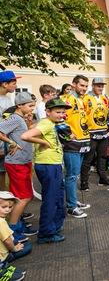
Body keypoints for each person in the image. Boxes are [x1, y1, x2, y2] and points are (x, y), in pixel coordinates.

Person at [21, 98, 71, 244]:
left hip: (53, 165)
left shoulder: (50, 123)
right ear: (48, 112)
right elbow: (25, 136)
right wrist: (43, 142)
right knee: (51, 200)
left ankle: (54, 226)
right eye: (57, 112)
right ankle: (46, 234)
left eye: (62, 112)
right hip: (48, 166)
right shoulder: (47, 124)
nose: (61, 115)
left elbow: (31, 130)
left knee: (57, 198)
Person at [0, 92, 37, 242]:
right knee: (25, 197)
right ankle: (13, 230)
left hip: (23, 161)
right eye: (30, 106)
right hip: (17, 163)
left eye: (33, 106)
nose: (32, 109)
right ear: (20, 105)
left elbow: (22, 134)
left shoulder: (21, 118)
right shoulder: (14, 118)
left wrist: (28, 123)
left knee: (20, 196)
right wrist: (11, 143)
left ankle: (19, 225)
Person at [61, 75, 91, 218]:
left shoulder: (80, 99)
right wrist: (68, 135)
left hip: (83, 142)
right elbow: (60, 119)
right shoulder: (67, 99)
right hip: (72, 144)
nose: (84, 88)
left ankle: (73, 200)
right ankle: (71, 206)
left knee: (75, 175)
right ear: (74, 84)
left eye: (86, 86)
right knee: (72, 176)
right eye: (81, 85)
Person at [80, 78, 109, 191]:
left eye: (102, 86)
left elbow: (108, 114)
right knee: (88, 158)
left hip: (103, 132)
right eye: (98, 86)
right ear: (93, 86)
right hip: (91, 133)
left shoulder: (104, 98)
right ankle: (84, 182)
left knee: (102, 157)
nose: (100, 88)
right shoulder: (86, 98)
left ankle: (102, 178)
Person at [0, 191, 31, 281]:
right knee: (27, 246)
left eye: (10, 207)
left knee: (21, 244)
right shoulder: (1, 222)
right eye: (4, 207)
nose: (8, 210)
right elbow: (7, 241)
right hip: (3, 254)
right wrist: (14, 249)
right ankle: (3, 267)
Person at [0, 71, 19, 191]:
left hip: (6, 140)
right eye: (13, 82)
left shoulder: (7, 98)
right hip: (1, 142)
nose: (16, 85)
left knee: (2, 172)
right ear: (4, 84)